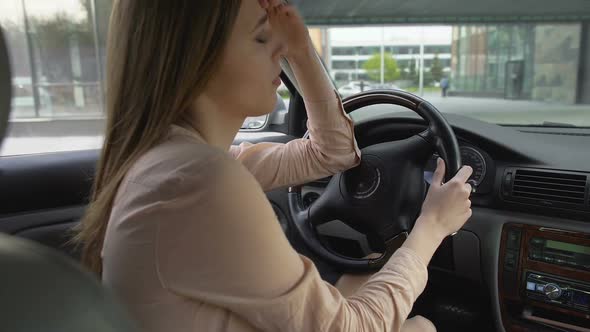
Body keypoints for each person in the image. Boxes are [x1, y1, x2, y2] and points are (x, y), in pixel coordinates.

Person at [73, 1, 473, 331]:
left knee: (357, 280)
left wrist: (301, 50)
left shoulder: (174, 162)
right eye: (262, 37)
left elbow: (333, 153)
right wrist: (431, 228)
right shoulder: (200, 181)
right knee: (420, 327)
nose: (278, 52)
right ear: (197, 60)